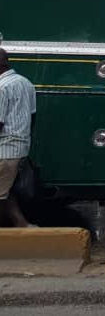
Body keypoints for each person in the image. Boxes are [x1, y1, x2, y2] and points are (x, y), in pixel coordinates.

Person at [0, 47, 37, 228]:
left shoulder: (2, 87)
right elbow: (33, 116)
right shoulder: (26, 83)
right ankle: (20, 225)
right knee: (6, 191)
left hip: (5, 149)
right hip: (21, 147)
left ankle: (22, 225)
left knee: (1, 193)